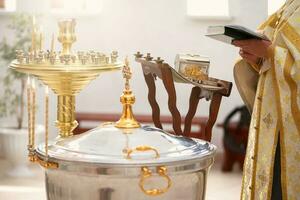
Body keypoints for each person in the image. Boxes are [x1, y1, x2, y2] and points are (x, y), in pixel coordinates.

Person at [232, 0, 300, 199]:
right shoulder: (291, 5)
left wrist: (268, 52)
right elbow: (273, 55)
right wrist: (257, 57)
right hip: (274, 121)